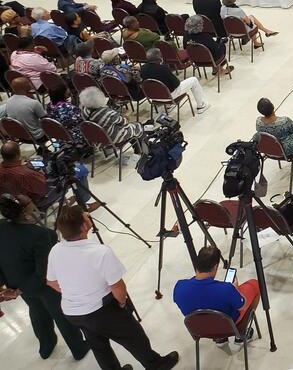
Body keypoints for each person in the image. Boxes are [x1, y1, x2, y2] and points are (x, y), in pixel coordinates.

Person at [46, 206, 179, 369]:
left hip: (72, 312)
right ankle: (156, 365)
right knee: (134, 337)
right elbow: (117, 287)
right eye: (85, 216)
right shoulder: (100, 252)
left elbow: (51, 282)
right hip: (102, 311)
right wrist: (122, 303)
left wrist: (76, 293)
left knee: (99, 346)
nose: (89, 216)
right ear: (82, 227)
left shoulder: (55, 250)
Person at [0, 193, 90, 361]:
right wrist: (20, 290)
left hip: (15, 283)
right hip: (43, 287)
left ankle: (46, 346)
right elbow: (44, 272)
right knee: (61, 315)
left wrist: (9, 288)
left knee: (37, 312)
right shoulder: (43, 234)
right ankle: (78, 348)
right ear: (27, 210)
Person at [172, 246, 259, 343]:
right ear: (215, 267)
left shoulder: (179, 287)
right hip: (228, 326)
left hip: (199, 328)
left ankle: (219, 338)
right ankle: (242, 333)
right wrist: (235, 289)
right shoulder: (226, 289)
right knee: (255, 285)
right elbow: (243, 306)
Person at [0, 141, 94, 210]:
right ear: (18, 154)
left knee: (42, 163)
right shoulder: (25, 174)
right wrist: (43, 174)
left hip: (14, 202)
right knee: (81, 170)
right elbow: (44, 189)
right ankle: (84, 203)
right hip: (39, 201)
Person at [141, 48, 209, 114]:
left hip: (153, 98)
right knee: (194, 80)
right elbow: (176, 84)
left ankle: (167, 106)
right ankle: (201, 105)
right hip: (168, 96)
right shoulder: (163, 69)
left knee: (162, 87)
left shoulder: (142, 69)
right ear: (159, 58)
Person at [78, 87, 144, 151]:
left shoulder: (84, 112)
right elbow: (124, 122)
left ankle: (138, 146)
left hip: (97, 141)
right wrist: (125, 117)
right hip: (111, 140)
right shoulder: (107, 113)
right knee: (137, 126)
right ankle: (144, 149)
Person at [255, 97, 293, 162]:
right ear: (273, 106)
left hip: (270, 151)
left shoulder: (258, 122)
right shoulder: (284, 121)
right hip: (288, 152)